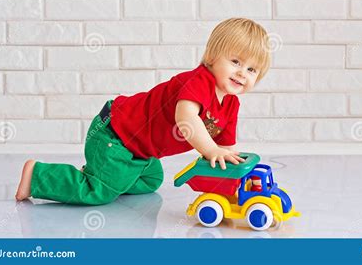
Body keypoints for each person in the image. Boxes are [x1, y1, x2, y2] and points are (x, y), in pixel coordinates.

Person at [15, 18, 271, 205]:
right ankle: (37, 175)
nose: (241, 73)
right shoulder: (198, 82)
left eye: (251, 70)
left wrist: (232, 176)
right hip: (115, 134)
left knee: (151, 180)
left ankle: (105, 172)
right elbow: (187, 121)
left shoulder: (231, 104)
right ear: (213, 57)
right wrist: (210, 150)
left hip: (140, 150)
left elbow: (226, 148)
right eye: (235, 62)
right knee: (99, 192)